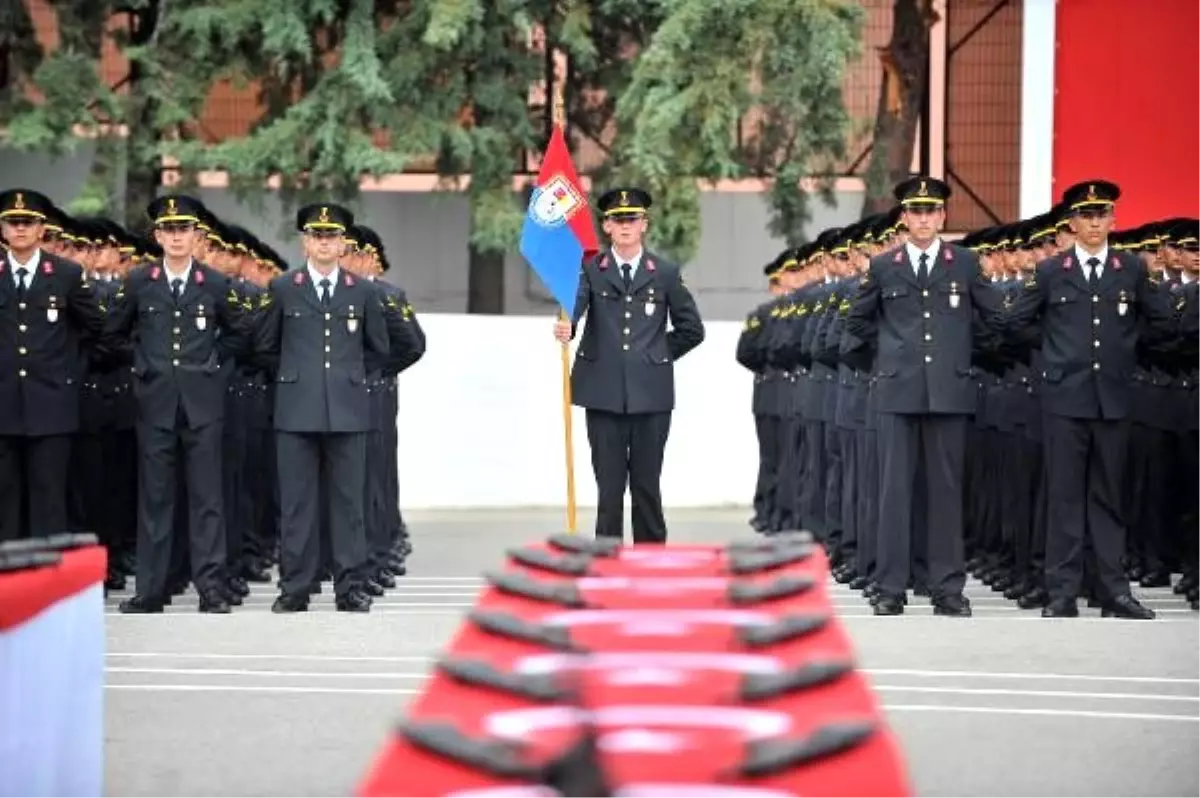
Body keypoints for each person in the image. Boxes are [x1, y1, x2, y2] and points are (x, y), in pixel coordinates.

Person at [1005, 180, 1177, 620]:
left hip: (1114, 398)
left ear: (1113, 220)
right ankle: (1061, 592)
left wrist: (1127, 350)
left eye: (1102, 215)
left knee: (1108, 497)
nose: (1094, 223)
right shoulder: (1051, 271)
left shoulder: (1130, 270)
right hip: (1065, 398)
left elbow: (1158, 320)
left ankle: (1112, 591)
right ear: (1073, 223)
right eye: (1086, 216)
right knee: (1063, 497)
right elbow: (1018, 323)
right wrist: (1055, 354)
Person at [846, 176, 1007, 617]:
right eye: (915, 211)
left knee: (946, 492)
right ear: (904, 217)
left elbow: (994, 318)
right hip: (898, 393)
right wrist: (887, 358)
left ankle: (947, 587)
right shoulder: (884, 266)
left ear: (942, 216)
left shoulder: (964, 263)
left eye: (931, 210)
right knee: (894, 493)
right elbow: (856, 323)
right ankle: (890, 587)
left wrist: (964, 355)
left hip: (950, 392)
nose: (923, 218)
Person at [105, 195, 252, 614]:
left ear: (195, 235)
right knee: (155, 499)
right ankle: (150, 590)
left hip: (203, 406)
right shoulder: (139, 282)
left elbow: (240, 335)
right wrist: (142, 366)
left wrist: (211, 367)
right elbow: (113, 334)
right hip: (154, 405)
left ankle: (211, 589)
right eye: (168, 230)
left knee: (207, 500)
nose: (175, 236)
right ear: (157, 236)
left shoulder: (215, 283)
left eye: (183, 229)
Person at [254, 203, 389, 613]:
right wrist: (295, 378)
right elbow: (264, 345)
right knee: (297, 505)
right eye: (317, 235)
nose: (324, 242)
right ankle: (295, 586)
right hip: (296, 411)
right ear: (305, 241)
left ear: (344, 243)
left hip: (348, 412)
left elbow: (379, 348)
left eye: (332, 236)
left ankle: (350, 587)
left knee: (350, 505)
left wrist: (350, 380)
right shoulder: (284, 287)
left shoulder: (363, 291)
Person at [553, 187, 705, 543]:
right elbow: (574, 308)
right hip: (602, 393)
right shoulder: (591, 269)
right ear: (606, 226)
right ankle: (607, 562)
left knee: (646, 486)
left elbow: (692, 329)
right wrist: (567, 326)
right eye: (617, 220)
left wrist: (656, 355)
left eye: (631, 219)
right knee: (609, 489)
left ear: (644, 225)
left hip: (650, 396)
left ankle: (651, 564)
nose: (624, 226)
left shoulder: (664, 272)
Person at [0, 189, 106, 541]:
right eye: (12, 223)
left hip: (51, 405)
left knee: (50, 500)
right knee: (6, 500)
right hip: (3, 403)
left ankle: (47, 587)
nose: (19, 229)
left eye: (27, 222)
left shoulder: (65, 274)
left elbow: (95, 329)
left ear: (41, 228)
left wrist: (70, 373)